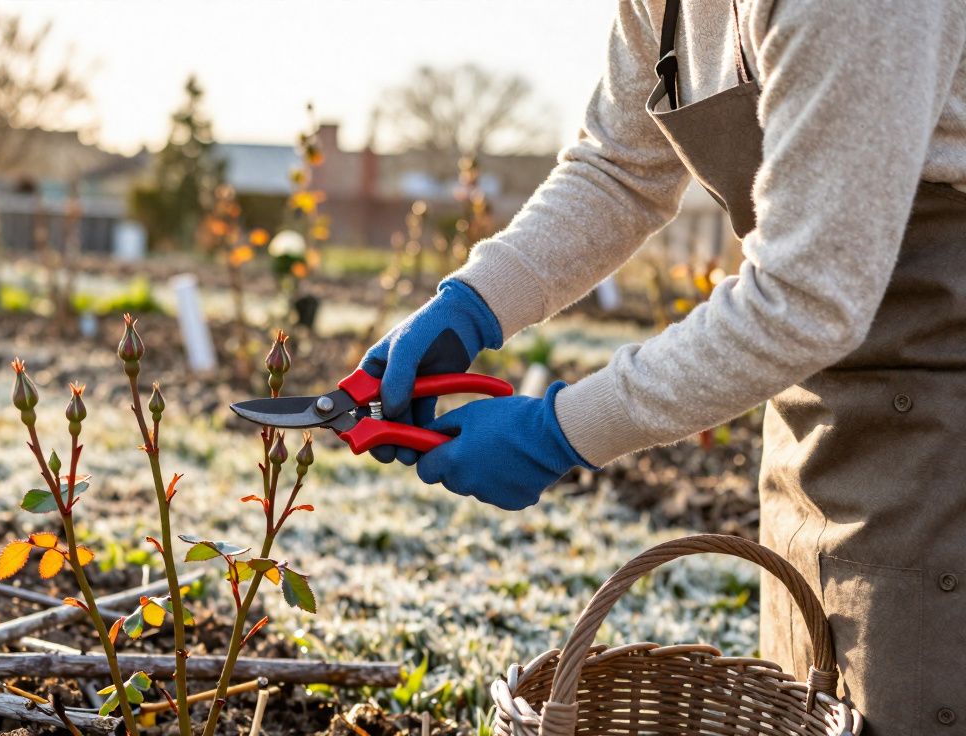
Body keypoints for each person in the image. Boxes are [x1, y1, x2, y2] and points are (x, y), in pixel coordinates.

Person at [363, 0, 966, 729]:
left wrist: (557, 431)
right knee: (812, 696)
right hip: (811, 420)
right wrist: (474, 302)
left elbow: (807, 297)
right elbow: (620, 168)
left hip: (943, 419)